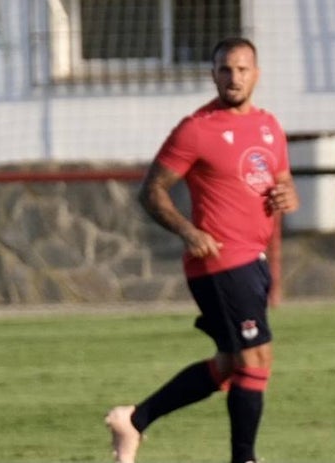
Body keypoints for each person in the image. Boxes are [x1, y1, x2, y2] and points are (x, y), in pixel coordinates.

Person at [105, 37, 298, 463]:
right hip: (221, 261)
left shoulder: (269, 125)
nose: (234, 78)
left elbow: (281, 182)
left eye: (242, 69)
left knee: (230, 364)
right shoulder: (196, 129)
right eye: (225, 70)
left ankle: (134, 420)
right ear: (213, 75)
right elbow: (151, 191)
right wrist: (189, 233)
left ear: (256, 74)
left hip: (254, 258)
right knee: (256, 356)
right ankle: (244, 458)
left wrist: (288, 196)